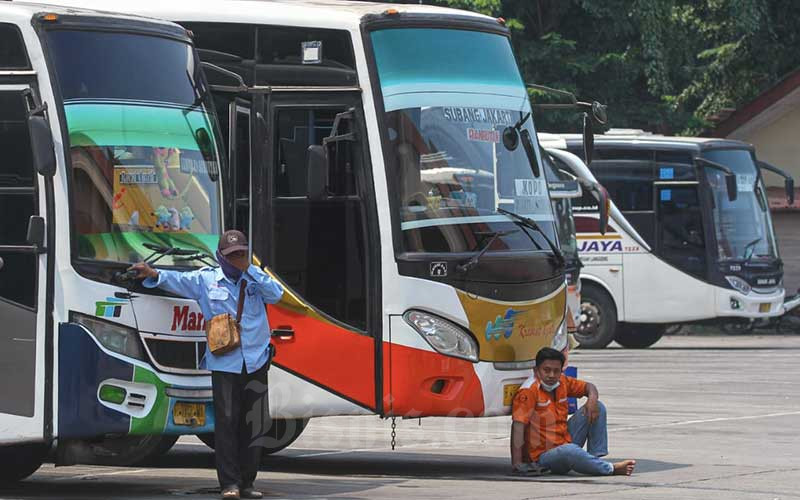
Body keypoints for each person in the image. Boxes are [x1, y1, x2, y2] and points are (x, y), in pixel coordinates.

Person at [128, 230, 283, 500]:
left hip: (256, 360)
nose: (237, 259)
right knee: (226, 423)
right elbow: (174, 280)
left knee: (254, 424)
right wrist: (153, 274)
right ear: (220, 258)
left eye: (241, 253)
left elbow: (276, 295)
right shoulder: (206, 279)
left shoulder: (256, 279)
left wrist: (251, 270)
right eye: (232, 255)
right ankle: (230, 484)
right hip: (225, 361)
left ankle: (248, 482)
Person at [510, 347, 635, 477]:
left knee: (598, 406)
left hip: (564, 442)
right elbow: (518, 426)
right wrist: (517, 464)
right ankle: (610, 468)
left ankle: (593, 459)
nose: (552, 375)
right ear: (536, 370)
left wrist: (591, 400)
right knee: (570, 451)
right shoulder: (528, 391)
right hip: (542, 457)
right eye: (546, 370)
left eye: (556, 371)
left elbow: (589, 387)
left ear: (561, 371)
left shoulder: (562, 381)